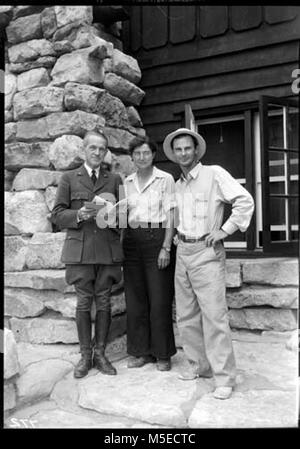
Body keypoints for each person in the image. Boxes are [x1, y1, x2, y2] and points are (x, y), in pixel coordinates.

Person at [163, 128, 254, 399]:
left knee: (214, 317)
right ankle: (198, 365)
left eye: (187, 148)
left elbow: (244, 201)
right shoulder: (177, 185)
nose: (183, 153)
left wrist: (224, 231)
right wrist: (177, 237)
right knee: (186, 315)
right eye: (178, 149)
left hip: (207, 251)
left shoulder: (214, 173)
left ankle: (224, 378)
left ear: (196, 150)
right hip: (184, 251)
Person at [51, 131, 124, 378]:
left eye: (101, 149)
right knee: (83, 304)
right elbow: (57, 215)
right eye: (92, 148)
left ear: (106, 153)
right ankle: (85, 356)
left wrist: (111, 215)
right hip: (79, 252)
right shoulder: (69, 178)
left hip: (106, 251)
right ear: (84, 150)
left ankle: (101, 354)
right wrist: (80, 215)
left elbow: (123, 219)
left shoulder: (114, 179)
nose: (96, 152)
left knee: (103, 302)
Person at [123, 136, 177, 371]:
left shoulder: (165, 179)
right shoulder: (126, 181)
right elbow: (123, 215)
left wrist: (166, 246)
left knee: (159, 298)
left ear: (153, 155)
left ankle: (162, 354)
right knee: (135, 299)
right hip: (132, 241)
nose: (142, 157)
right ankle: (141, 352)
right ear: (132, 157)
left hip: (157, 240)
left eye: (146, 153)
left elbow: (172, 215)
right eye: (137, 154)